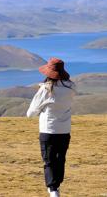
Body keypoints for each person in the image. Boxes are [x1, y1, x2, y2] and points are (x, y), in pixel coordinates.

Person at [27, 57, 76, 197]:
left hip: (48, 129)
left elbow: (30, 113)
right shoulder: (71, 88)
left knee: (49, 160)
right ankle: (56, 187)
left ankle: (53, 190)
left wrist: (42, 109)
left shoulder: (46, 90)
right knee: (60, 159)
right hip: (65, 130)